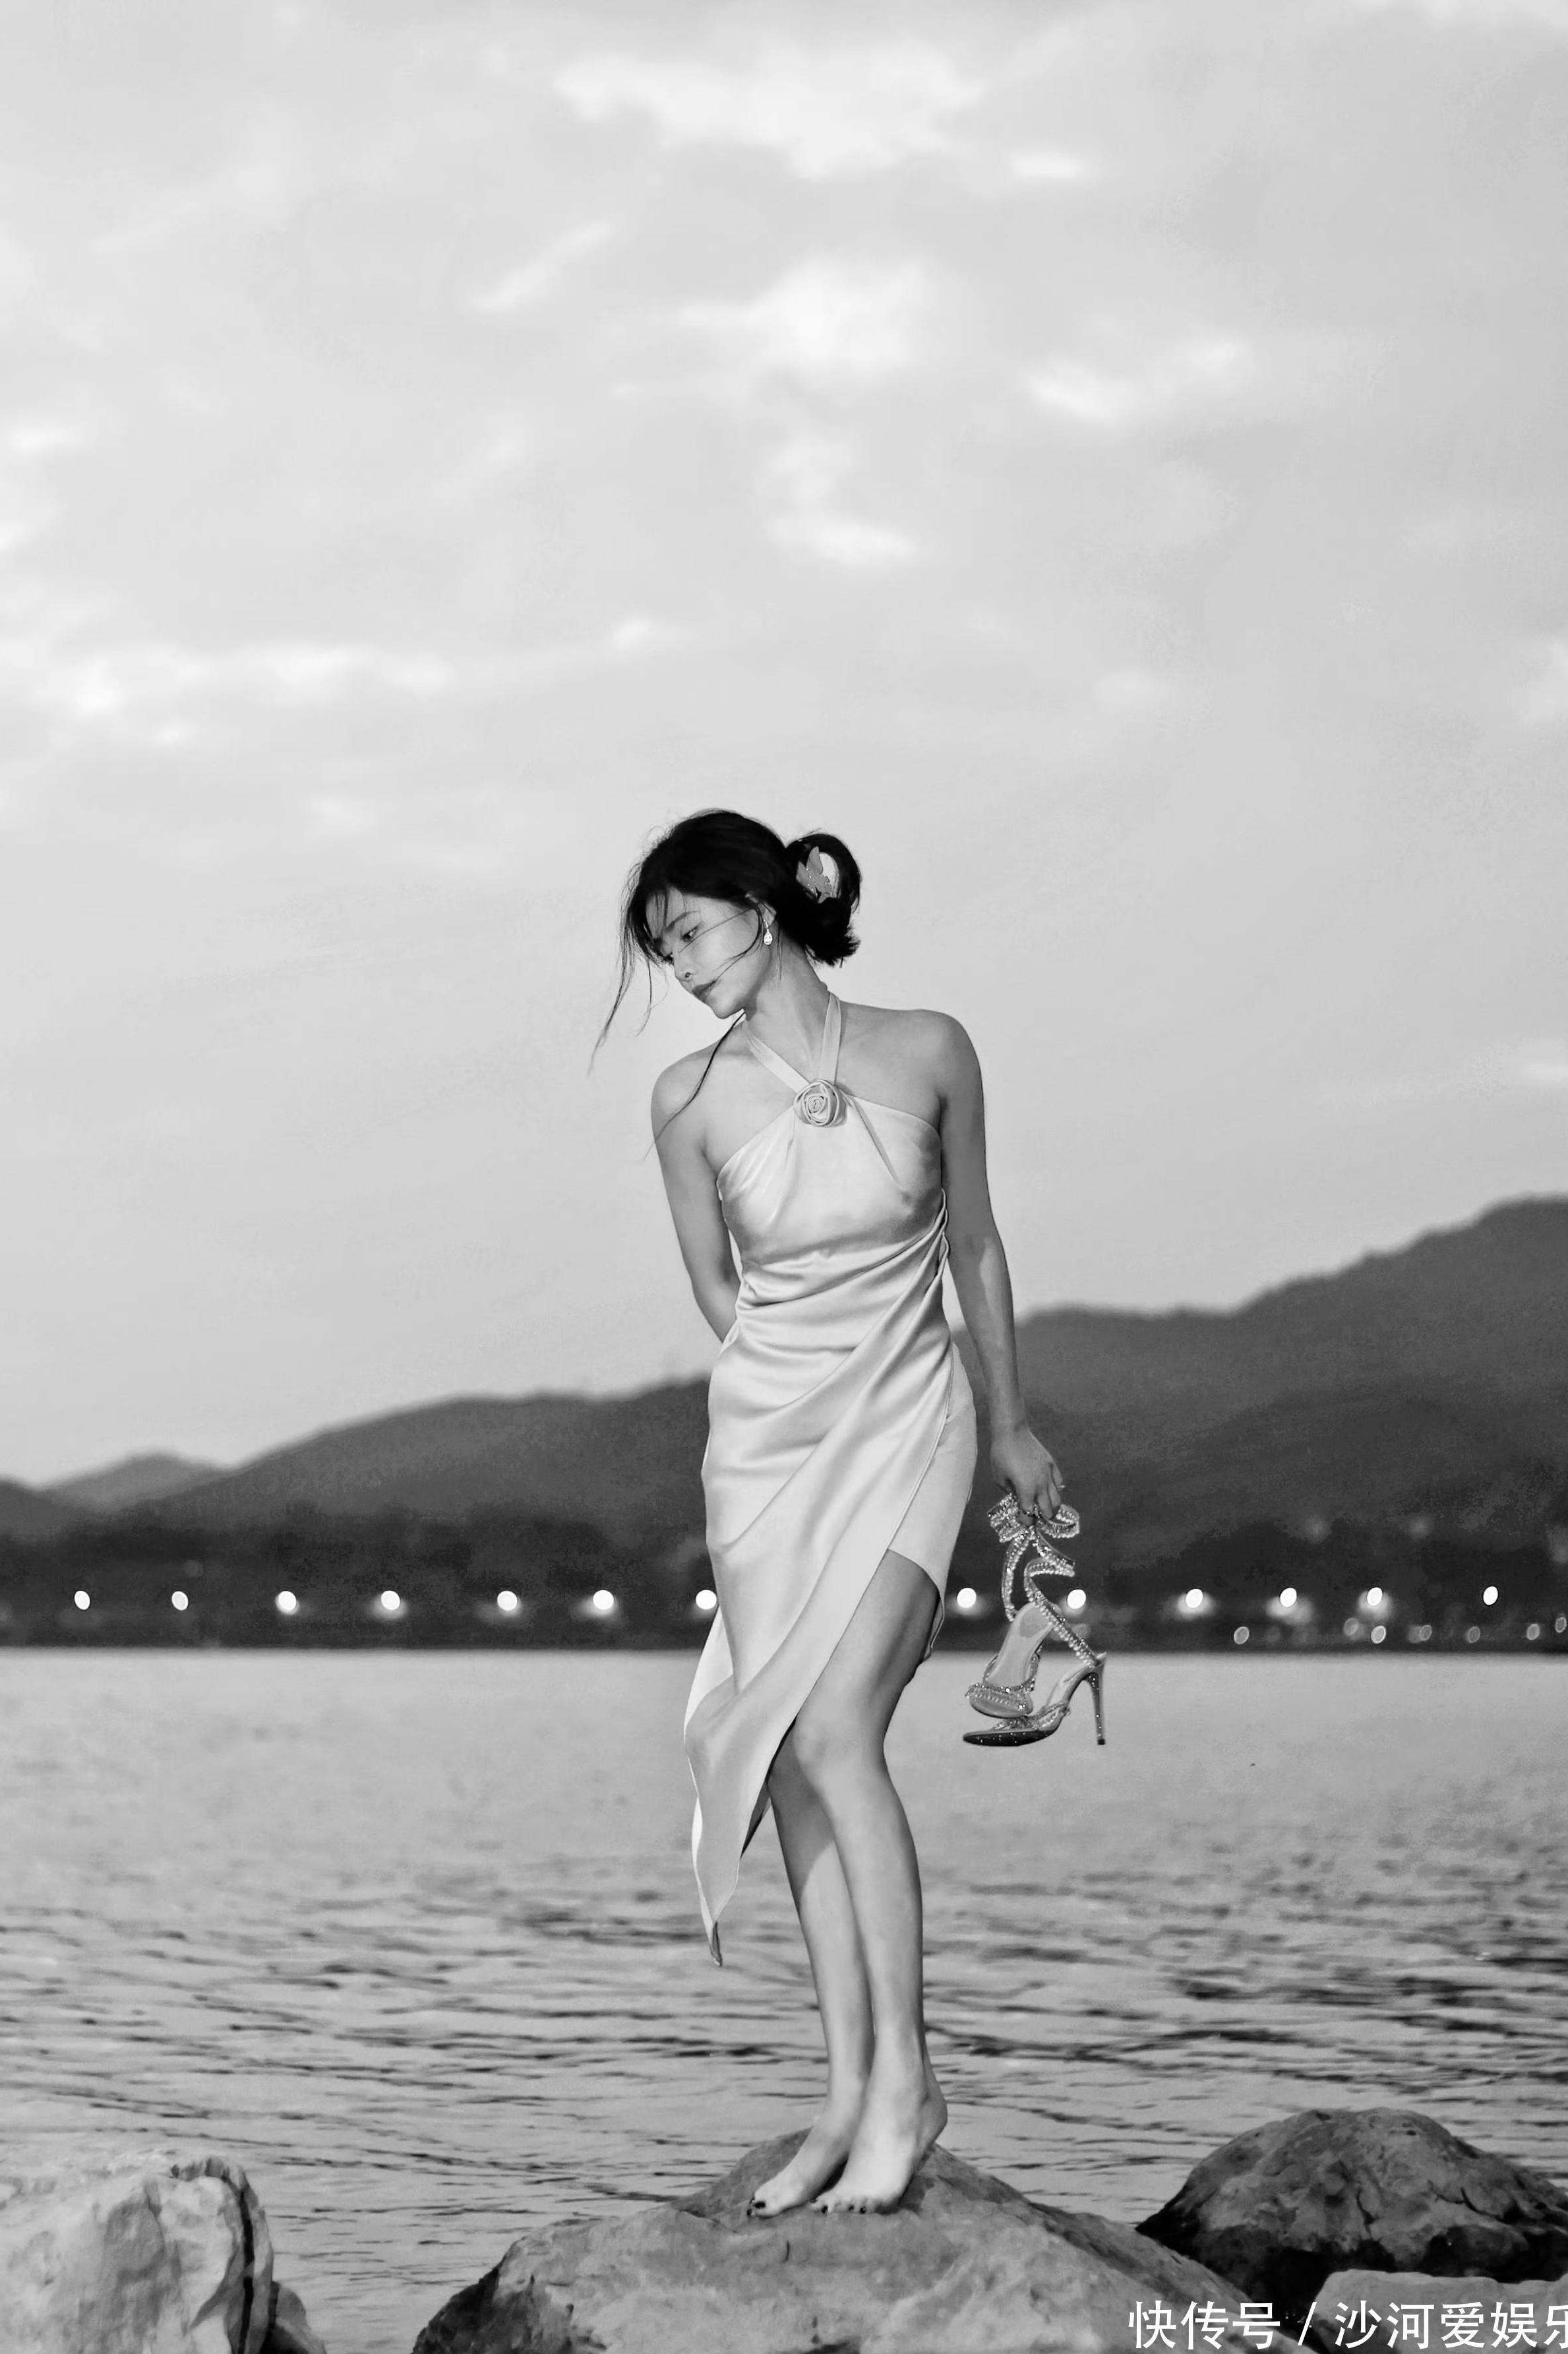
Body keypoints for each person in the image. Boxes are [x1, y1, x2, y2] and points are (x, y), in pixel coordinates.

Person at [601, 809, 1064, 2217]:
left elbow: (975, 1244)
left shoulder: (929, 1050)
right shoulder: (685, 1102)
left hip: (913, 1418)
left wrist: (1010, 1422)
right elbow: (716, 1290)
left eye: (690, 932)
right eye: (664, 950)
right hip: (768, 1450)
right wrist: (786, 1380)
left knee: (835, 1730)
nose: (682, 967)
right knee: (790, 1760)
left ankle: (909, 2084)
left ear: (763, 906)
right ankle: (848, 2094)